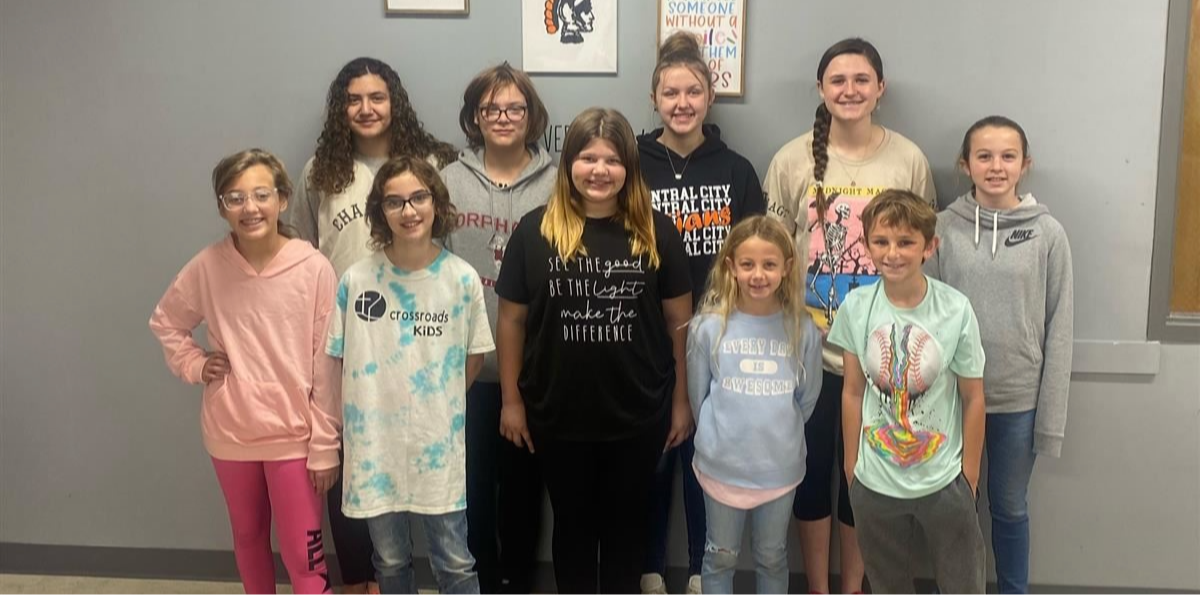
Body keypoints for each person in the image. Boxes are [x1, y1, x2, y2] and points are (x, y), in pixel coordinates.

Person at [495, 107, 693, 594]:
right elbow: (511, 320)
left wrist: (681, 400)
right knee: (573, 533)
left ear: (629, 167)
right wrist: (511, 401)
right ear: (568, 164)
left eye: (611, 159)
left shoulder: (657, 231)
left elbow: (679, 324)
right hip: (557, 415)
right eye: (587, 157)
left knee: (628, 534)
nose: (599, 170)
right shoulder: (534, 231)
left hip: (638, 414)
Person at [763, 37, 935, 595]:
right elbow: (771, 249)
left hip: (884, 355)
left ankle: (853, 587)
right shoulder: (792, 159)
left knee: (865, 481)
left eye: (861, 79)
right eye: (837, 80)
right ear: (821, 89)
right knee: (812, 481)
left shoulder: (907, 159)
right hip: (808, 350)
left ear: (880, 89)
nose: (850, 90)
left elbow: (923, 249)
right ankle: (817, 587)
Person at [292, 56, 457, 595]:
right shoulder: (321, 171)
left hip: (418, 338)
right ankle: (363, 582)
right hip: (346, 338)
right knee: (352, 461)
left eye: (377, 97)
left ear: (395, 102)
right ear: (342, 108)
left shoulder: (429, 162)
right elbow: (301, 253)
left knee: (425, 461)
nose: (366, 108)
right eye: (354, 99)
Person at [150, 148, 340, 595]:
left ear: (282, 199)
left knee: (303, 556)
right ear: (221, 207)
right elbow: (167, 322)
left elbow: (328, 362)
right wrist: (196, 365)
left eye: (260, 195)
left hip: (295, 437)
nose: (249, 208)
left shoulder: (313, 268)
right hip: (230, 432)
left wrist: (325, 442)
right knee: (249, 538)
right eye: (235, 198)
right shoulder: (207, 266)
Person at [325, 156, 494, 595]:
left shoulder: (461, 279)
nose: (409, 210)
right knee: (391, 560)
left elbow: (474, 356)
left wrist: (438, 402)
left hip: (437, 446)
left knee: (455, 562)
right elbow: (339, 358)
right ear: (380, 211)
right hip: (375, 448)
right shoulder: (357, 281)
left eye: (418, 197)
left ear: (436, 202)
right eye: (395, 201)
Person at [637, 32, 766, 595]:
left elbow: (760, 255)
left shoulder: (736, 170)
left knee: (704, 455)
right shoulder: (632, 162)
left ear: (709, 97)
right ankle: (647, 567)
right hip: (644, 335)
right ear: (655, 97)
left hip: (720, 335)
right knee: (655, 453)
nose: (682, 102)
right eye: (671, 92)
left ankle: (698, 569)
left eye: (693, 91)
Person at [925, 116, 1074, 595]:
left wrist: (1050, 419)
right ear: (964, 164)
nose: (995, 166)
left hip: (1016, 401)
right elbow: (923, 314)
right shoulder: (942, 229)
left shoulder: (1048, 234)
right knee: (955, 508)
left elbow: (1060, 329)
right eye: (984, 156)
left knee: (1009, 508)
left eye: (1007, 156)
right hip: (950, 400)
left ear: (1024, 165)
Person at [832, 189, 986, 595]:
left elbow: (973, 397)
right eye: (880, 241)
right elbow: (851, 392)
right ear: (866, 245)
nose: (892, 253)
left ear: (929, 247)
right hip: (875, 480)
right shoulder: (856, 307)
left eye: (906, 242)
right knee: (887, 585)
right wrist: (852, 467)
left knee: (962, 585)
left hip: (943, 480)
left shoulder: (955, 309)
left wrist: (968, 475)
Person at [440, 62, 555, 595]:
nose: (502, 117)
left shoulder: (560, 182)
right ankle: (482, 581)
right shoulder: (447, 182)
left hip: (538, 370)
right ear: (474, 117)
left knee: (526, 494)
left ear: (531, 116)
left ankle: (519, 583)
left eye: (514, 107)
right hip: (465, 369)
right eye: (491, 108)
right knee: (471, 490)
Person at [687, 215, 822, 595]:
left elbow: (806, 400)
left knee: (772, 555)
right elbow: (700, 399)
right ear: (731, 266)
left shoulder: (802, 328)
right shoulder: (707, 328)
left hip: (778, 470)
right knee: (720, 556)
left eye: (769, 264)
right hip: (721, 468)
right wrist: (721, 436)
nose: (758, 274)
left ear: (787, 268)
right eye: (747, 264)